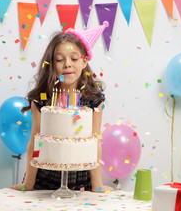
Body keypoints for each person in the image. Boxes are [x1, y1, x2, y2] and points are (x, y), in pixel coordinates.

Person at [9, 21, 113, 193]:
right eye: (59, 59)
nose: (67, 64)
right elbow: (35, 140)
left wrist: (97, 185)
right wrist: (28, 183)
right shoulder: (42, 99)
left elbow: (95, 141)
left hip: (81, 185)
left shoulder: (93, 99)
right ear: (52, 63)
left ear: (84, 61)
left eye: (74, 58)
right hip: (44, 182)